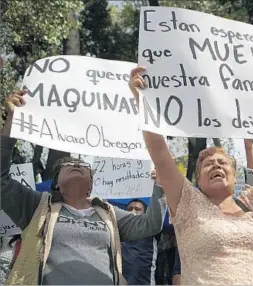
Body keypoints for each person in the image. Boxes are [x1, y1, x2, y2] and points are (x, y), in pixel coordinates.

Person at [129, 66, 253, 284]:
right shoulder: (187, 202)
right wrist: (144, 102)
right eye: (208, 164)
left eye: (223, 163)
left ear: (235, 177)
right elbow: (161, 155)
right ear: (198, 179)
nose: (216, 166)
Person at [0, 90, 167, 285]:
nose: (77, 164)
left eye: (83, 166)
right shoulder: (36, 206)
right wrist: (12, 121)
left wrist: (161, 184)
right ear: (56, 183)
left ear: (91, 186)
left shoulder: (109, 213)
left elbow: (151, 224)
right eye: (68, 166)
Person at [121, 199, 161, 285]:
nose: (133, 211)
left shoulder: (151, 229)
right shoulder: (120, 231)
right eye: (130, 209)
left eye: (137, 209)